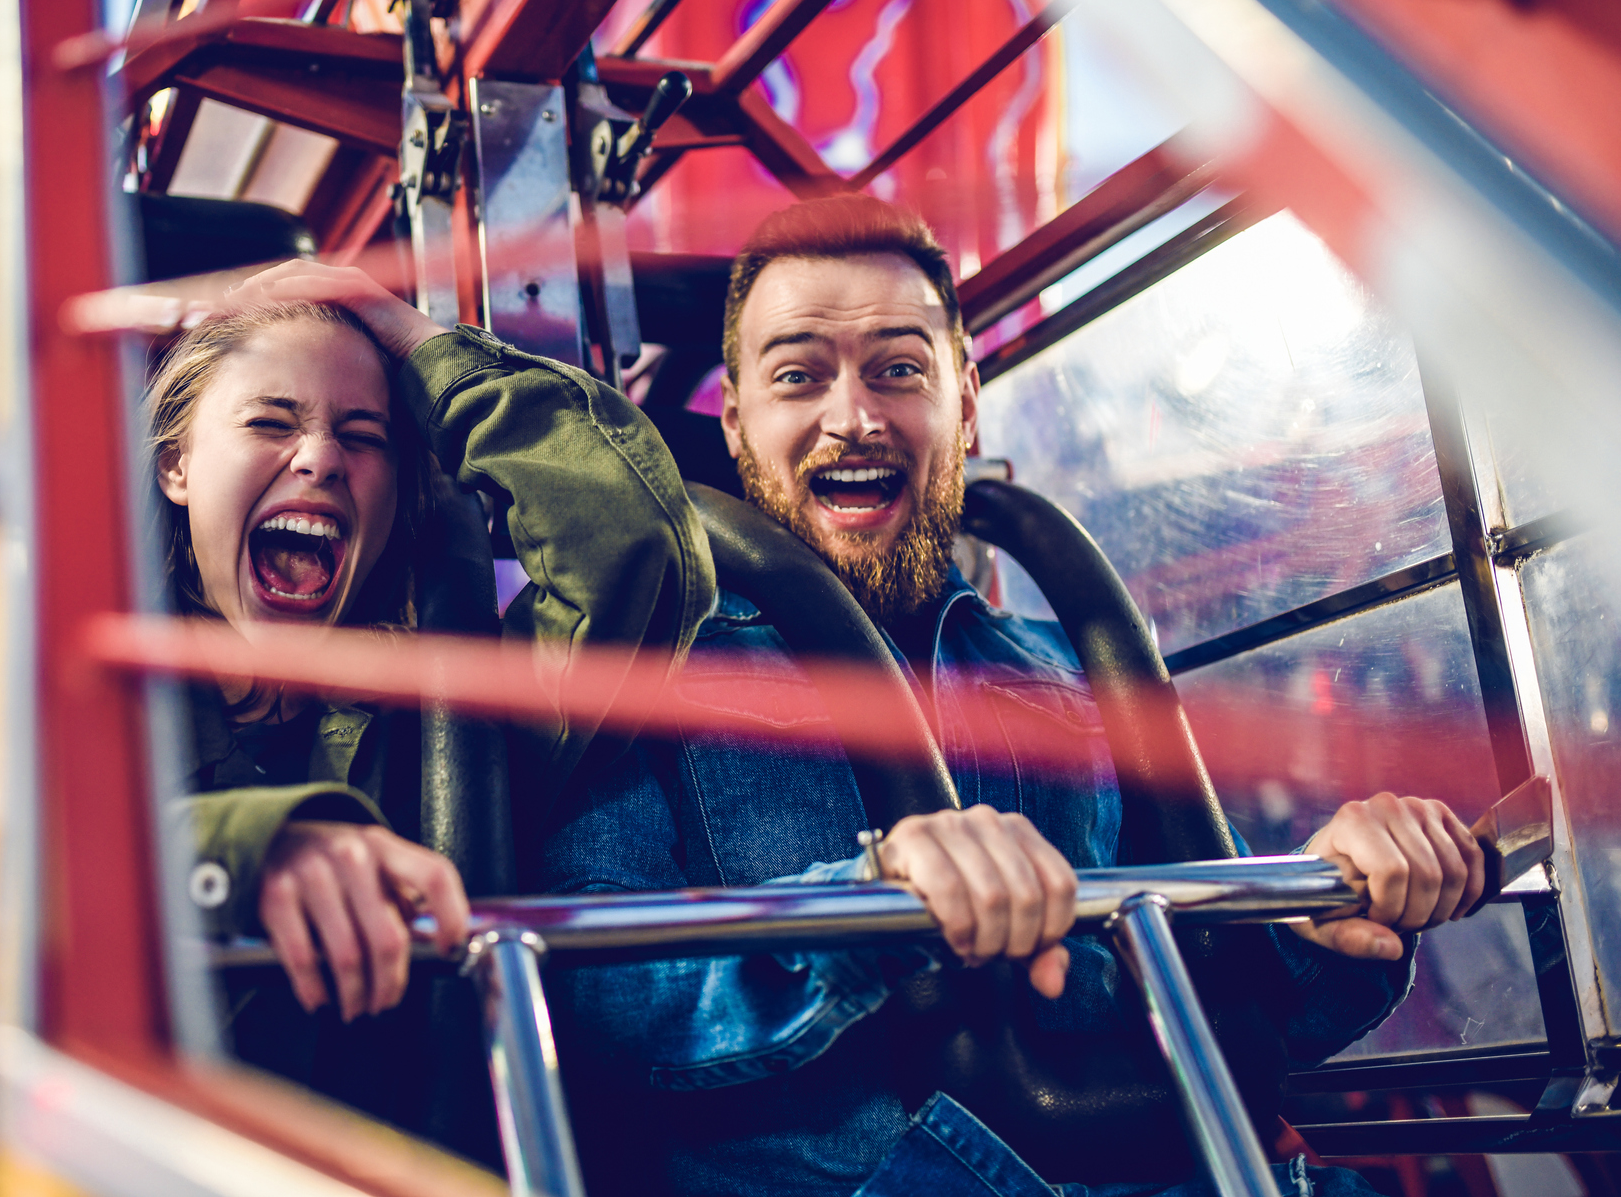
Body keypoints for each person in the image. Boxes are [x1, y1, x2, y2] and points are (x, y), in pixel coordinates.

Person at [539, 195, 1486, 1197]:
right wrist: (857, 914)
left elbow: (1230, 981)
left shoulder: (1071, 670)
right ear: (736, 422)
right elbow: (596, 1007)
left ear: (966, 402)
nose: (853, 414)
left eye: (899, 369)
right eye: (798, 375)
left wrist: (1329, 914)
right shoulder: (642, 677)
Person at [152, 265, 711, 1118]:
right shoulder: (21, 715)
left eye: (365, 435)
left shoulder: (449, 726)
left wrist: (416, 341)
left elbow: (632, 548)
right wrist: (242, 853)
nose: (322, 457)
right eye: (270, 420)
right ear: (176, 468)